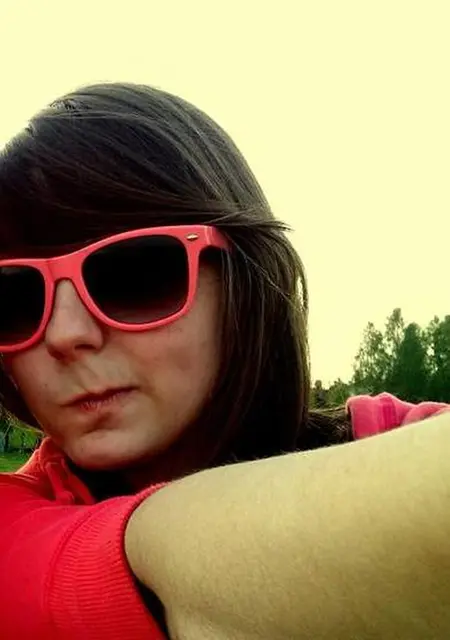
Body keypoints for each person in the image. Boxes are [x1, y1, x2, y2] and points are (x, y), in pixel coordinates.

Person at [0, 83, 450, 640]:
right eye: (14, 297)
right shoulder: (11, 526)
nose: (66, 335)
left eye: (134, 273)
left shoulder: (398, 436)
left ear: (243, 275)